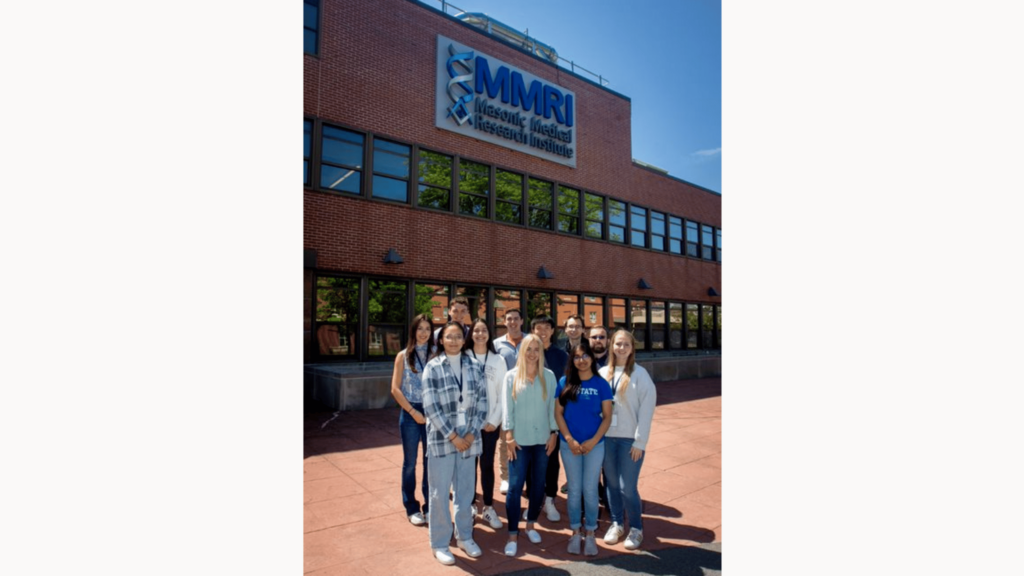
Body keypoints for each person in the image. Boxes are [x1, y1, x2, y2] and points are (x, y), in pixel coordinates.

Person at [421, 321, 489, 565]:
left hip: (469, 441)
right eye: (448, 337)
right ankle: (439, 542)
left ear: (464, 340)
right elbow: (430, 405)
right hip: (442, 441)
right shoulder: (432, 367)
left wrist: (470, 434)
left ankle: (465, 536)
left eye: (458, 336)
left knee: (465, 493)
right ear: (441, 340)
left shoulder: (473, 365)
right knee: (439, 494)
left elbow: (483, 401)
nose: (453, 341)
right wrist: (453, 436)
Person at [598, 329, 657, 551]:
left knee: (627, 488)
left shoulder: (640, 375)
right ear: (611, 346)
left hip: (629, 441)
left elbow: (647, 411)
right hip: (606, 439)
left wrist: (640, 442)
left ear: (632, 349)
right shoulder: (603, 373)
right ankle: (616, 523)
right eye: (617, 344)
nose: (621, 348)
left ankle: (636, 528)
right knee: (611, 485)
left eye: (626, 345)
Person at [555, 339, 613, 556]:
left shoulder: (601, 384)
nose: (581, 360)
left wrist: (593, 440)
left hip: (594, 446)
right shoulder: (564, 382)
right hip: (569, 445)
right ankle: (575, 532)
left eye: (585, 356)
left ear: (592, 358)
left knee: (589, 490)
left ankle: (590, 532)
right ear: (573, 359)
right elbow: (558, 414)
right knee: (574, 490)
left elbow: (607, 417)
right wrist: (569, 439)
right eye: (577, 356)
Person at [501, 334, 558, 557]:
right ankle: (512, 534)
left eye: (536, 349)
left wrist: (554, 433)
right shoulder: (510, 377)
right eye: (528, 349)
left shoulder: (549, 376)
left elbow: (553, 407)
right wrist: (508, 437)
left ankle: (531, 524)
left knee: (538, 486)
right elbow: (508, 409)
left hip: (543, 440)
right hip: (519, 441)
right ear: (521, 351)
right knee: (515, 488)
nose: (532, 353)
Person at [389, 314, 437, 527]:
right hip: (410, 413)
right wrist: (412, 412)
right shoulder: (402, 355)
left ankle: (430, 506)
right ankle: (411, 506)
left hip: (431, 413)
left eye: (428, 328)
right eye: (420, 328)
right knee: (410, 463)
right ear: (413, 331)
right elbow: (395, 389)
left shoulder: (436, 355)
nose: (424, 332)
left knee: (430, 462)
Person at [465, 318, 507, 530]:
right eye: (476, 331)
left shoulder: (498, 360)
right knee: (468, 466)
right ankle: (471, 505)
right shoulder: (463, 357)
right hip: (468, 426)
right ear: (471, 334)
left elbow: (503, 394)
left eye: (484, 330)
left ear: (489, 334)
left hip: (490, 425)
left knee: (487, 465)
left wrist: (494, 420)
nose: (480, 334)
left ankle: (488, 507)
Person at [531, 315, 569, 523]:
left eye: (547, 327)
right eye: (538, 327)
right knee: (530, 460)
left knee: (551, 460)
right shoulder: (528, 352)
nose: (542, 331)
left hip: (553, 415)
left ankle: (550, 499)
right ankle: (534, 498)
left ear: (553, 331)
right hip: (530, 416)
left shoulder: (561, 356)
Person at [492, 308, 525, 495]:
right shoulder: (497, 344)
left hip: (527, 397)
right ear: (504, 322)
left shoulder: (529, 341)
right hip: (505, 398)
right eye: (509, 319)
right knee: (505, 439)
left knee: (526, 438)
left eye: (516, 319)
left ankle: (524, 477)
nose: (512, 322)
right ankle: (505, 477)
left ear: (521, 321)